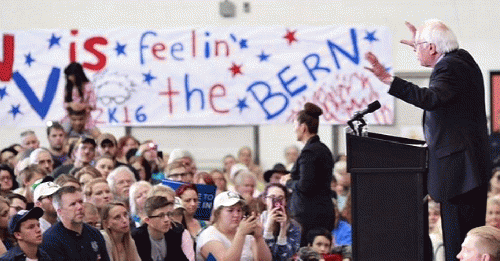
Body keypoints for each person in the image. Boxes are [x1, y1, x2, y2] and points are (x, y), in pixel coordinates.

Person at [365, 20, 490, 261]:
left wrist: (387, 79)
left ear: (432, 48)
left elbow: (430, 98)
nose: (416, 52)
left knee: (461, 245)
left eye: (420, 47)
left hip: (460, 174)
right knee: (464, 242)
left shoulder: (450, 68)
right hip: (466, 171)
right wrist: (421, 42)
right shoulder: (461, 59)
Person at [281, 102, 335, 246]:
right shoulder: (324, 149)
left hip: (309, 217)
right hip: (323, 211)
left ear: (303, 127)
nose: (294, 130)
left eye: (295, 125)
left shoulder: (309, 152)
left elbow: (306, 185)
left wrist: (287, 181)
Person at [196, 191, 272, 261]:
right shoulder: (208, 235)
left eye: (239, 210)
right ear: (217, 213)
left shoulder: (246, 234)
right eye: (230, 210)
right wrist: (240, 234)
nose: (236, 215)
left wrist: (259, 237)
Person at [40, 186, 110, 261]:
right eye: (73, 204)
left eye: (80, 202)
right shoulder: (50, 240)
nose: (79, 207)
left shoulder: (94, 234)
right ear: (60, 211)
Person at [131, 195, 191, 261]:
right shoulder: (136, 238)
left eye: (168, 214)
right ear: (148, 220)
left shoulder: (173, 236)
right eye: (161, 216)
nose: (167, 219)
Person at [261, 183, 301, 261]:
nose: (276, 202)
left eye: (280, 198)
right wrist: (268, 230)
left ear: (285, 201)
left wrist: (283, 231)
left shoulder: (294, 226)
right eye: (272, 198)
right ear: (265, 200)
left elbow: (282, 257)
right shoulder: (257, 222)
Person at [61, 62, 97, 135]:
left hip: (85, 118)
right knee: (62, 132)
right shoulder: (68, 87)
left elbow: (93, 105)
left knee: (95, 134)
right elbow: (64, 104)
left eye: (71, 75)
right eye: (68, 76)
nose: (69, 78)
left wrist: (83, 106)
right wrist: (71, 105)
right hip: (70, 117)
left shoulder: (88, 86)